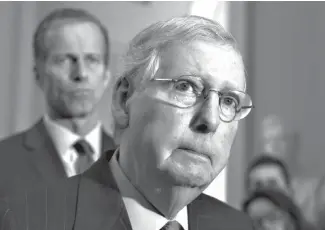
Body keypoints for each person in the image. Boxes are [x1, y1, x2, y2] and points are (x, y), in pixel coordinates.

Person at [0, 15, 254, 230]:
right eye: (186, 87)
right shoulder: (25, 221)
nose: (209, 120)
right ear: (124, 100)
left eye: (229, 101)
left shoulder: (241, 227)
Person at [0, 8, 115, 197]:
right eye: (64, 60)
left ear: (106, 75)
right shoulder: (4, 162)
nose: (81, 74)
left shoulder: (132, 164)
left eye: (92, 60)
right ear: (38, 74)